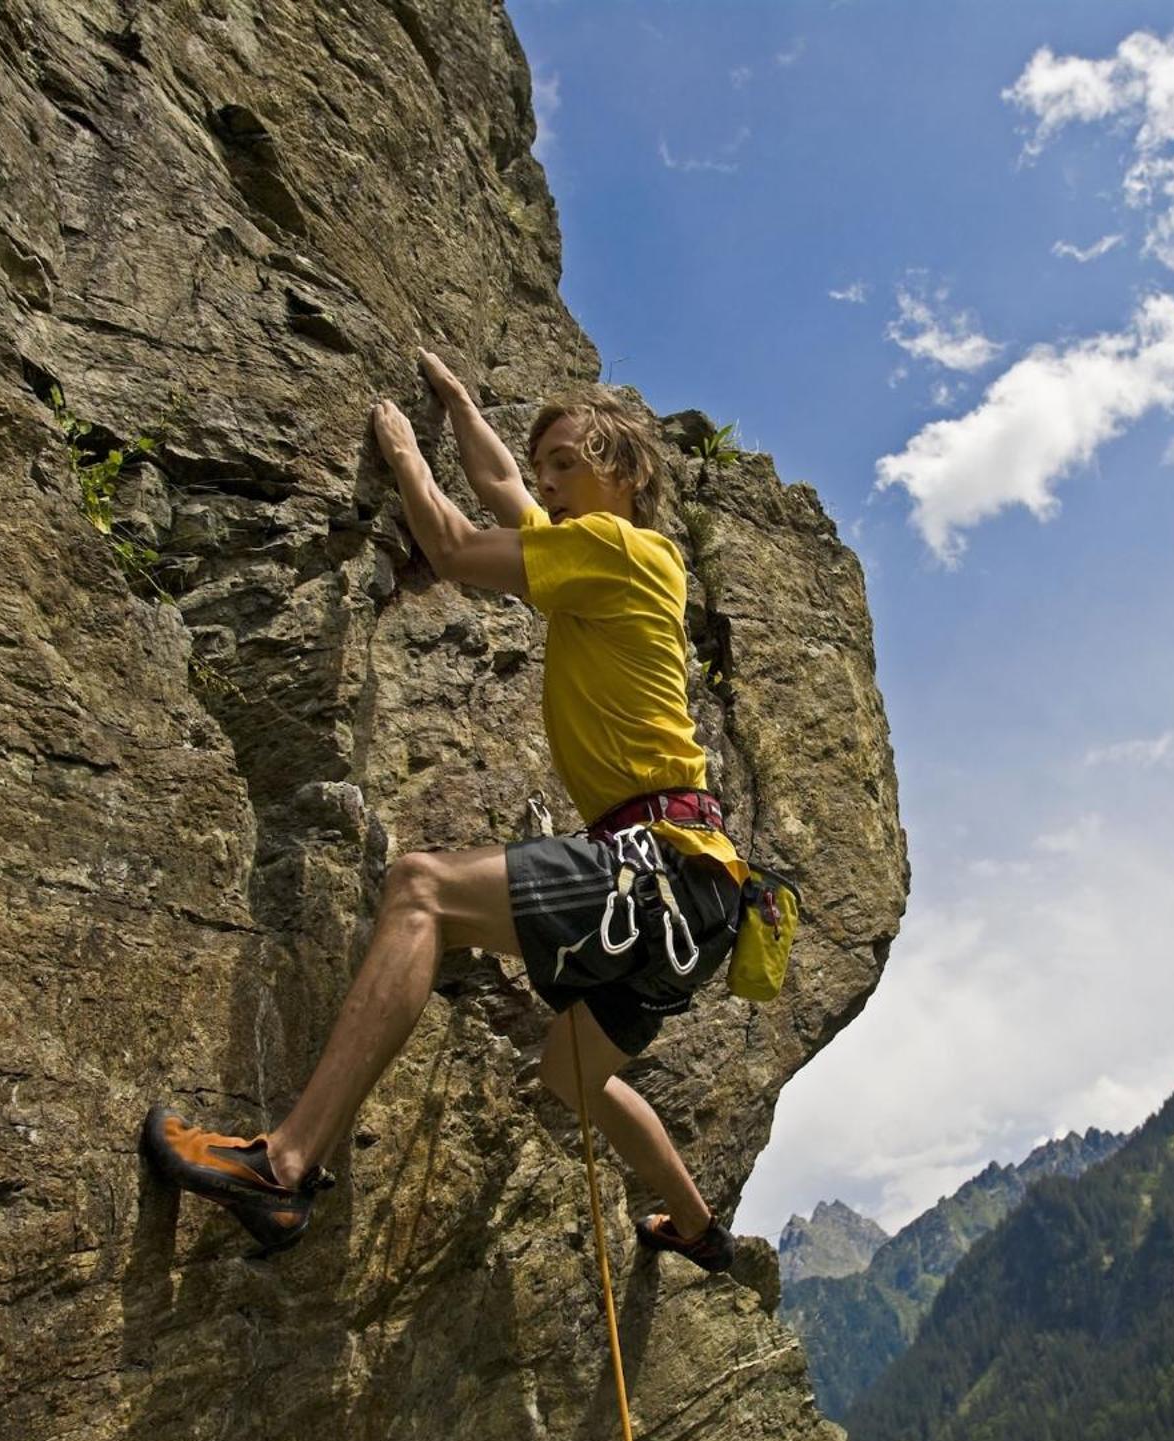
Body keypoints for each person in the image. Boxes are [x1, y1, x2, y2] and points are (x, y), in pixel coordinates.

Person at [141, 351, 745, 1272]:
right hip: (696, 904)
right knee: (570, 1075)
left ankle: (284, 1166)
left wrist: (401, 447)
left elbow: (460, 547)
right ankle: (698, 1228)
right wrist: (459, 405)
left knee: (420, 889)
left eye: (570, 464)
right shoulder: (611, 559)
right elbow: (505, 490)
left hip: (654, 866)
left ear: (628, 474)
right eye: (544, 466)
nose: (548, 483)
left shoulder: (618, 548)